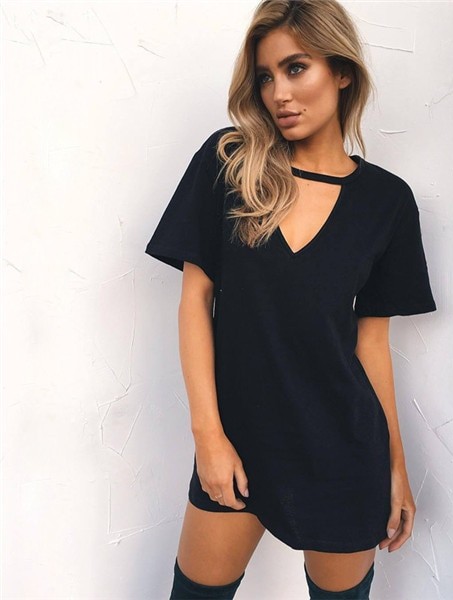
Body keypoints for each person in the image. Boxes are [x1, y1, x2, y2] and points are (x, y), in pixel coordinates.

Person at [145, 0, 437, 598]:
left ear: (342, 71)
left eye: (296, 68)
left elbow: (372, 345)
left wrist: (395, 468)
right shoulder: (231, 163)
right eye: (265, 76)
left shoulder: (387, 202)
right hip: (240, 442)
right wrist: (209, 438)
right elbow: (195, 301)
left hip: (344, 453)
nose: (279, 93)